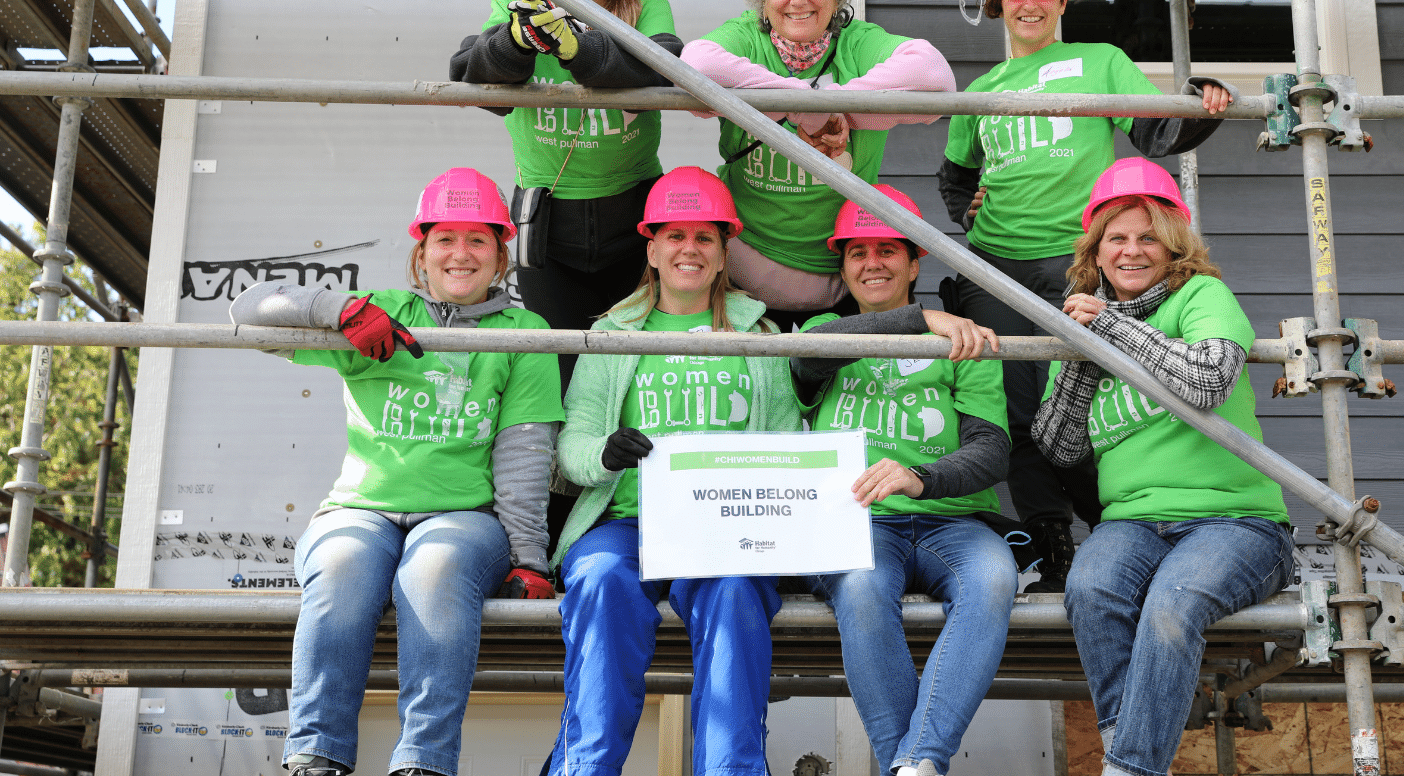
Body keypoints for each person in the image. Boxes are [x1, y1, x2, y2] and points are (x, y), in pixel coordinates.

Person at [230, 168, 564, 776]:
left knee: (434, 571)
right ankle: (315, 757)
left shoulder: (524, 332)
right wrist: (338, 308)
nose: (460, 253)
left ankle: (423, 763)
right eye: (445, 239)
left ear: (499, 256)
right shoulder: (379, 314)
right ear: (422, 251)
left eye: (478, 240)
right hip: (360, 510)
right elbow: (249, 312)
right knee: (339, 569)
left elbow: (523, 454)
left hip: (463, 516)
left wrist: (529, 559)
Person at [937, 0, 1237, 591]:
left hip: (1076, 265)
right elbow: (955, 176)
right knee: (1013, 410)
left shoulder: (1101, 61)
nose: (1030, 4)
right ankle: (1051, 540)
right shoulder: (979, 86)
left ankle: (1116, 531)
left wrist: (1206, 104)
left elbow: (1157, 132)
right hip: (993, 269)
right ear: (998, 2)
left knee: (1080, 404)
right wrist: (967, 213)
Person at [1033, 157, 1295, 776]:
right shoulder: (1081, 322)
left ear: (1173, 244)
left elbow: (1206, 381)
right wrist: (1079, 358)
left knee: (1173, 606)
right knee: (1090, 590)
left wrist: (1117, 333)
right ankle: (1136, 756)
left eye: (1147, 236)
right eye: (1116, 238)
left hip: (1237, 522)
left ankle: (1128, 768)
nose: (1131, 250)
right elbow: (1060, 447)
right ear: (1095, 253)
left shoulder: (1201, 295)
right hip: (1131, 524)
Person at [544, 165, 803, 776]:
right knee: (601, 578)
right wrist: (605, 453)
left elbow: (791, 440)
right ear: (652, 247)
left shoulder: (762, 337)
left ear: (722, 252)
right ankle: (586, 767)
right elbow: (572, 444)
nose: (690, 248)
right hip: (628, 520)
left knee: (738, 591)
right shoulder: (612, 334)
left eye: (705, 237)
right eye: (675, 236)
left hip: (727, 527)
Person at [793, 186, 1018, 776]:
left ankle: (914, 763)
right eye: (858, 251)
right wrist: (920, 319)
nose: (873, 263)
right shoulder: (822, 329)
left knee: (995, 577)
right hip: (856, 521)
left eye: (889, 250)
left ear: (916, 261)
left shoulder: (961, 343)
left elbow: (992, 449)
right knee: (862, 590)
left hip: (954, 520)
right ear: (842, 266)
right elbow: (809, 357)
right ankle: (915, 763)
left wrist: (920, 477)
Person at [449, 0, 681, 385]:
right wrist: (515, 41)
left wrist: (578, 47)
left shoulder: (645, 6)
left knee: (635, 368)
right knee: (561, 366)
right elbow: (477, 81)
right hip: (547, 224)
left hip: (634, 215)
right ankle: (567, 467)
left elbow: (662, 69)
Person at [682, 0, 955, 331]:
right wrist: (801, 100)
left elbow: (935, 74)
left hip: (843, 272)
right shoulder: (746, 38)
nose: (798, 0)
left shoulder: (856, 42)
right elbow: (694, 64)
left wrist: (838, 106)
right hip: (746, 267)